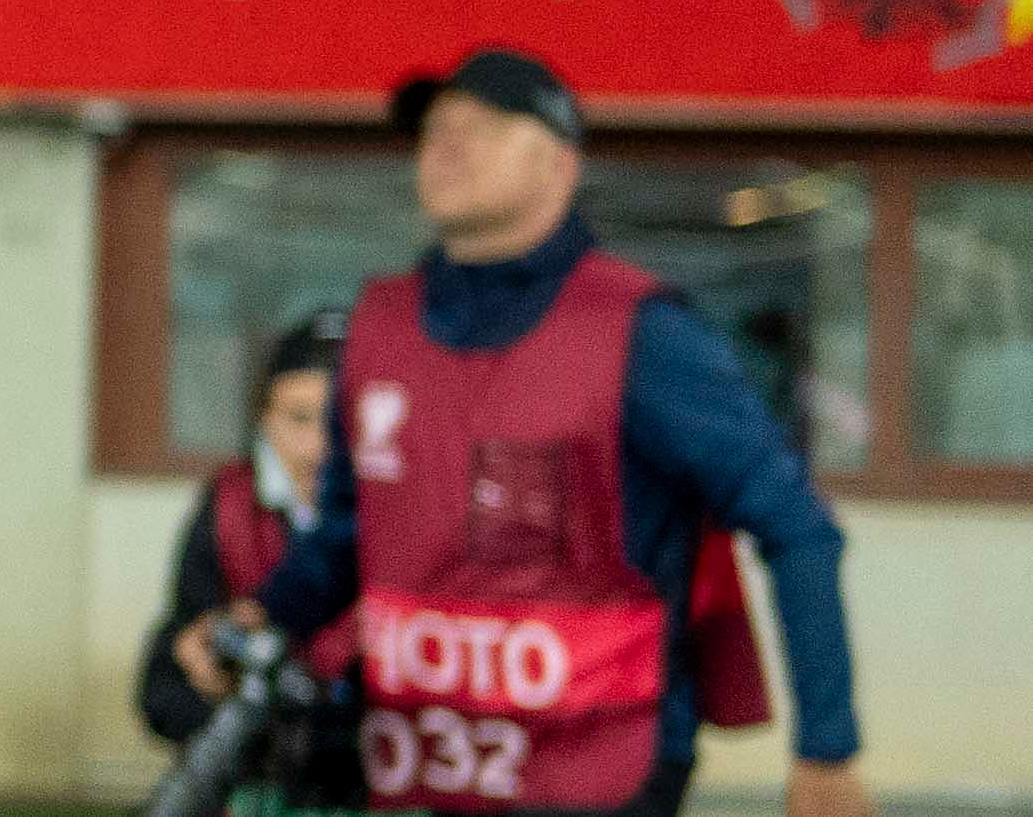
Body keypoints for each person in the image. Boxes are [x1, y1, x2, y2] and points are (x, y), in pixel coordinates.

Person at [179, 51, 865, 817]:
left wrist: (826, 754)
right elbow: (349, 534)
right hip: (425, 769)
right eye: (435, 130)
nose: (446, 146)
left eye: (483, 127)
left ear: (558, 163)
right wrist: (262, 616)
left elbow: (799, 529)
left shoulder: (640, 334)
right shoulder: (380, 327)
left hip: (599, 773)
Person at [138, 315, 365, 806]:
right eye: (300, 418)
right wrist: (216, 679)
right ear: (265, 417)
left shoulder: (408, 518)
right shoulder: (228, 506)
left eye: (340, 422)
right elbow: (164, 684)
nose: (320, 447)